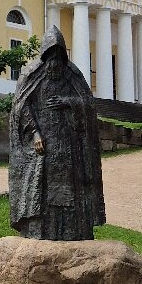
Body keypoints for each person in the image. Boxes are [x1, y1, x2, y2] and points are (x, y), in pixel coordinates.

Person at [9, 26, 106, 241]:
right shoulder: (32, 74)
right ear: (45, 57)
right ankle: (39, 230)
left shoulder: (72, 74)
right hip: (43, 143)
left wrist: (69, 102)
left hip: (67, 143)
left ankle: (74, 231)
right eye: (50, 58)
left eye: (58, 58)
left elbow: (87, 105)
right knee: (40, 187)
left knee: (70, 188)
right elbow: (22, 107)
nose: (54, 64)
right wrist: (35, 133)